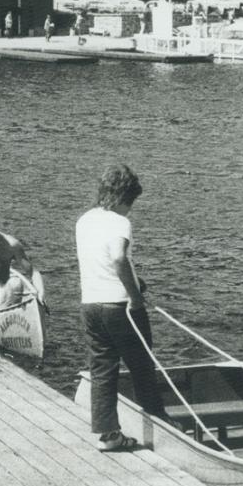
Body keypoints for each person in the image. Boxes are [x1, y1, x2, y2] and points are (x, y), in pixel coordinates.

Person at [76, 164, 167, 453]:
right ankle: (160, 425)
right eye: (131, 202)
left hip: (90, 304)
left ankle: (109, 435)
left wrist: (136, 280)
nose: (130, 209)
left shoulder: (84, 220)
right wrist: (135, 295)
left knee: (102, 369)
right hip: (120, 307)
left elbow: (100, 261)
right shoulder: (119, 223)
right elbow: (116, 259)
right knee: (142, 366)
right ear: (122, 197)